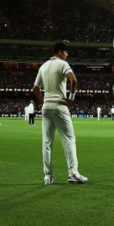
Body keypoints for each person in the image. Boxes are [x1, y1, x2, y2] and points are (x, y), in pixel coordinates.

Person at [33, 41, 87, 185]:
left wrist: (43, 102)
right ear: (59, 52)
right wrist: (71, 99)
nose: (67, 54)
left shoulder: (43, 66)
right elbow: (73, 80)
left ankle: (48, 177)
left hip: (46, 107)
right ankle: (73, 173)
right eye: (66, 52)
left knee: (46, 143)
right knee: (69, 139)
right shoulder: (63, 64)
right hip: (59, 106)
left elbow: (35, 89)